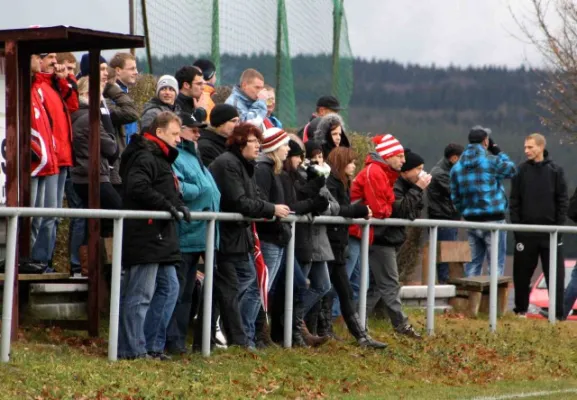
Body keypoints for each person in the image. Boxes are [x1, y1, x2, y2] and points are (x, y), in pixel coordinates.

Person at [209, 123, 290, 349]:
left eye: (259, 141)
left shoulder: (246, 166)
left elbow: (252, 197)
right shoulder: (228, 164)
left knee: (244, 280)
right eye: (254, 141)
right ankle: (234, 335)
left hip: (239, 235)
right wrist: (271, 209)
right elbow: (239, 201)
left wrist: (268, 207)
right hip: (226, 234)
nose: (258, 146)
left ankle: (238, 335)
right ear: (240, 142)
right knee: (231, 287)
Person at [117, 111, 190, 361]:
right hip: (145, 234)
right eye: (175, 134)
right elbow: (137, 187)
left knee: (169, 289)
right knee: (141, 295)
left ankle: (152, 346)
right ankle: (133, 349)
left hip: (159, 236)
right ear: (159, 133)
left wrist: (178, 203)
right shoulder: (144, 156)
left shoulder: (160, 158)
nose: (179, 140)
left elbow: (163, 190)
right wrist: (166, 205)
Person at [166, 113, 220, 354]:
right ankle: (171, 340)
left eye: (200, 129)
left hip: (202, 233)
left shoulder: (195, 155)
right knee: (177, 292)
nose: (198, 133)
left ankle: (178, 342)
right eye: (193, 129)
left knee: (187, 293)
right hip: (186, 232)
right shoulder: (178, 155)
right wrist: (200, 189)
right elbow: (177, 186)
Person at [325, 147, 387, 348]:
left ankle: (359, 335)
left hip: (337, 245)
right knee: (326, 289)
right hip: (329, 245)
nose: (354, 166)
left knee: (342, 290)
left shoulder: (343, 184)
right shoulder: (331, 184)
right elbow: (333, 210)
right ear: (341, 164)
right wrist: (358, 210)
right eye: (350, 162)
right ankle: (322, 329)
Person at [510, 133, 567, 319]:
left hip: (550, 233)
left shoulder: (556, 171)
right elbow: (514, 201)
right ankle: (520, 311)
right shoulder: (520, 171)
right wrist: (518, 228)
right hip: (526, 233)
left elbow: (562, 200)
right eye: (525, 147)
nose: (526, 151)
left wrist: (558, 228)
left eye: (530, 147)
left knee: (555, 275)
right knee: (521, 274)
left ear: (541, 147)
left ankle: (557, 315)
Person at [30, 52, 78, 270]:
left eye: (54, 58)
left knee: (55, 215)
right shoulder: (36, 86)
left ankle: (44, 260)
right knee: (48, 214)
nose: (54, 62)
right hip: (49, 159)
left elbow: (73, 105)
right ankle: (39, 260)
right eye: (48, 57)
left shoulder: (53, 85)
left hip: (62, 158)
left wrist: (65, 80)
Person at [347, 134, 405, 312]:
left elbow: (388, 203)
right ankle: (339, 321)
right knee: (350, 281)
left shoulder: (384, 173)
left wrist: (387, 207)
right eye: (400, 156)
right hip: (354, 232)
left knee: (359, 283)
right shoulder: (375, 172)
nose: (404, 160)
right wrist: (388, 209)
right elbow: (381, 209)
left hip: (362, 232)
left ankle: (353, 323)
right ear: (388, 155)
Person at [450, 126, 516, 277]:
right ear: (485, 141)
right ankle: (493, 300)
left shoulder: (457, 167)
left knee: (473, 264)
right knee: (495, 266)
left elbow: (455, 197)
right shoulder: (491, 161)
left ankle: (472, 300)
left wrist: (465, 212)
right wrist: (498, 151)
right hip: (494, 220)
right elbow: (512, 170)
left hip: (471, 221)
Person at [252, 127, 291, 347]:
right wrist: (274, 211)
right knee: (262, 288)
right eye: (284, 145)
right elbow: (264, 202)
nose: (288, 149)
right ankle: (259, 333)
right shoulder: (263, 171)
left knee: (267, 287)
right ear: (275, 147)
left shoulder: (275, 171)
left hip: (277, 236)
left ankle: (261, 333)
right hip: (269, 237)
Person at [70, 77, 122, 239]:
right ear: (87, 94)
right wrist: (105, 118)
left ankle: (87, 261)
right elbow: (111, 147)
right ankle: (101, 260)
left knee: (90, 222)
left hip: (80, 176)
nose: (102, 100)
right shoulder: (90, 118)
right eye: (99, 95)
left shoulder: (75, 114)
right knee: (121, 211)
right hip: (94, 176)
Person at [28, 54, 59, 273]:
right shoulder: (28, 87)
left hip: (47, 163)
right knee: (30, 218)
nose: (45, 61)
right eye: (39, 56)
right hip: (32, 164)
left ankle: (33, 264)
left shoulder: (42, 87)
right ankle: (27, 263)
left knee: (40, 218)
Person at [426, 143, 464, 283]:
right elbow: (457, 193)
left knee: (447, 259)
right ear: (454, 158)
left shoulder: (446, 171)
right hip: (443, 220)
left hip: (448, 219)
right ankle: (443, 291)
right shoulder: (440, 174)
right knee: (444, 260)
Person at [109, 52, 139, 144]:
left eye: (136, 68)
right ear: (118, 70)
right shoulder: (111, 96)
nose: (136, 72)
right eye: (132, 69)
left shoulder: (125, 93)